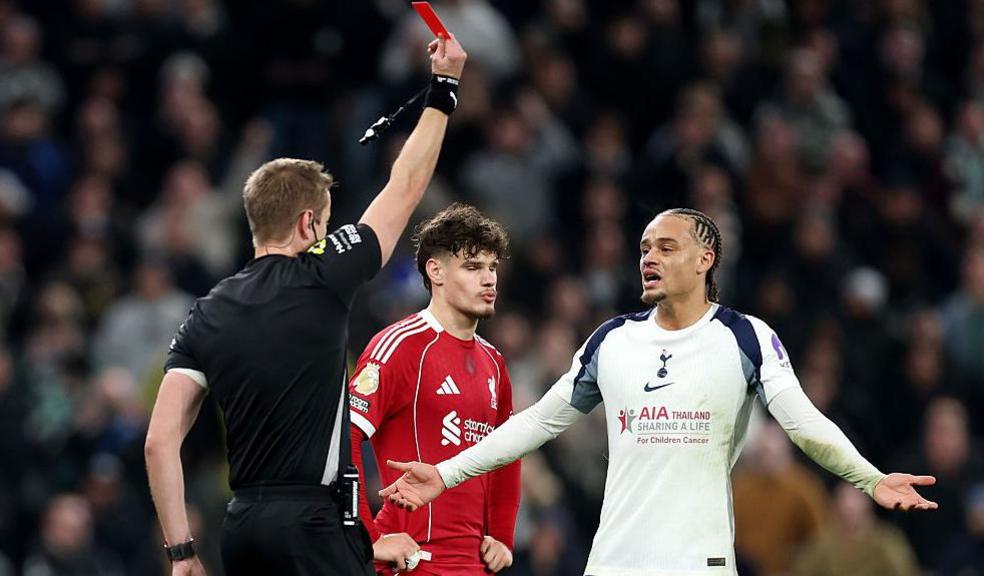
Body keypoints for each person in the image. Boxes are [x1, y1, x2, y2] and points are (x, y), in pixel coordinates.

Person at [379, 208, 939, 576]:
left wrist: (869, 477)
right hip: (613, 561)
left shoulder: (745, 337)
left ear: (705, 259)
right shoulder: (613, 340)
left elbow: (802, 423)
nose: (649, 258)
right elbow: (537, 422)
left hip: (700, 561)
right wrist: (447, 473)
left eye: (666, 248)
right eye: (645, 247)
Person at [143, 35, 468, 576]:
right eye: (325, 218)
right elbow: (406, 185)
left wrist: (181, 553)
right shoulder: (323, 274)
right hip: (315, 526)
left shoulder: (206, 311)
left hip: (242, 527)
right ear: (308, 225)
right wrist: (445, 88)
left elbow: (159, 442)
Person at [349, 203, 520, 574]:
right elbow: (343, 438)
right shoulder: (399, 346)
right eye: (473, 267)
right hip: (414, 563)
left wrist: (503, 536)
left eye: (492, 267)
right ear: (436, 270)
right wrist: (365, 536)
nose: (489, 279)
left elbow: (509, 452)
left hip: (475, 566)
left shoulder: (494, 362)